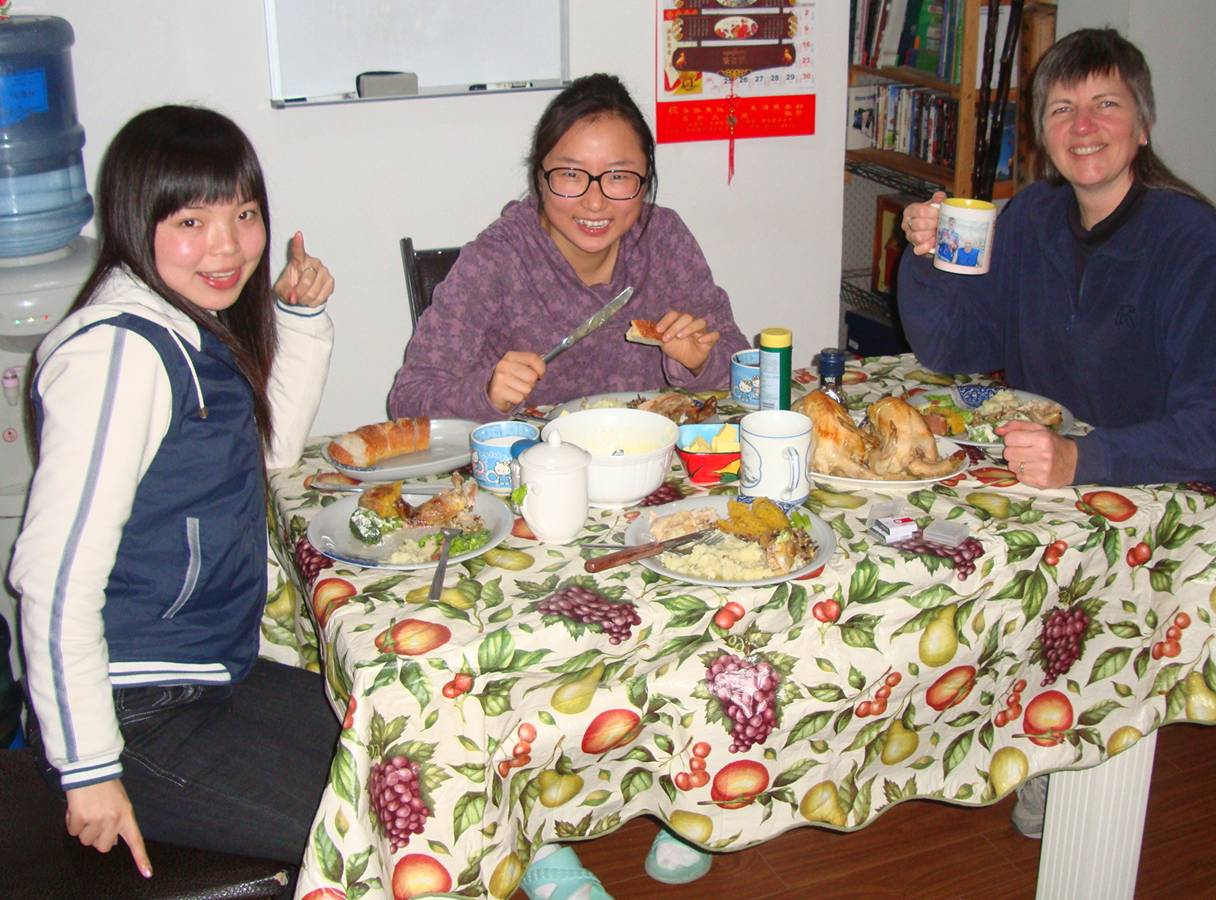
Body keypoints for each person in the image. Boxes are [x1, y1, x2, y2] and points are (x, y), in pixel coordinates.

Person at [897, 28, 1216, 837]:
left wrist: (1083, 458)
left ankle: (1069, 744)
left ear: (1143, 124)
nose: (1084, 126)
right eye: (1062, 108)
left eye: (1106, 104)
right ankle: (1010, 723)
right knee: (926, 540)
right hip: (1059, 476)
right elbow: (957, 348)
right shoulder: (1030, 217)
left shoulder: (1193, 240)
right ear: (1040, 133)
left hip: (1173, 496)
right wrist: (923, 260)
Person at [10, 105, 339, 878]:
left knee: (416, 750)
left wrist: (300, 318)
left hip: (209, 673)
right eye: (192, 219)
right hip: (134, 719)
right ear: (136, 219)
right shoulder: (121, 354)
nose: (228, 246)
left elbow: (270, 448)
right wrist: (90, 769)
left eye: (245, 214)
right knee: (391, 825)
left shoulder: (188, 324)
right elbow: (52, 580)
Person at [388, 73, 748, 421]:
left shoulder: (664, 238)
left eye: (619, 176)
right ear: (539, 177)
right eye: (571, 175)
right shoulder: (496, 260)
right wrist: (484, 393)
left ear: (646, 180)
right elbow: (409, 399)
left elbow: (743, 367)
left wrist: (699, 361)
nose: (594, 202)